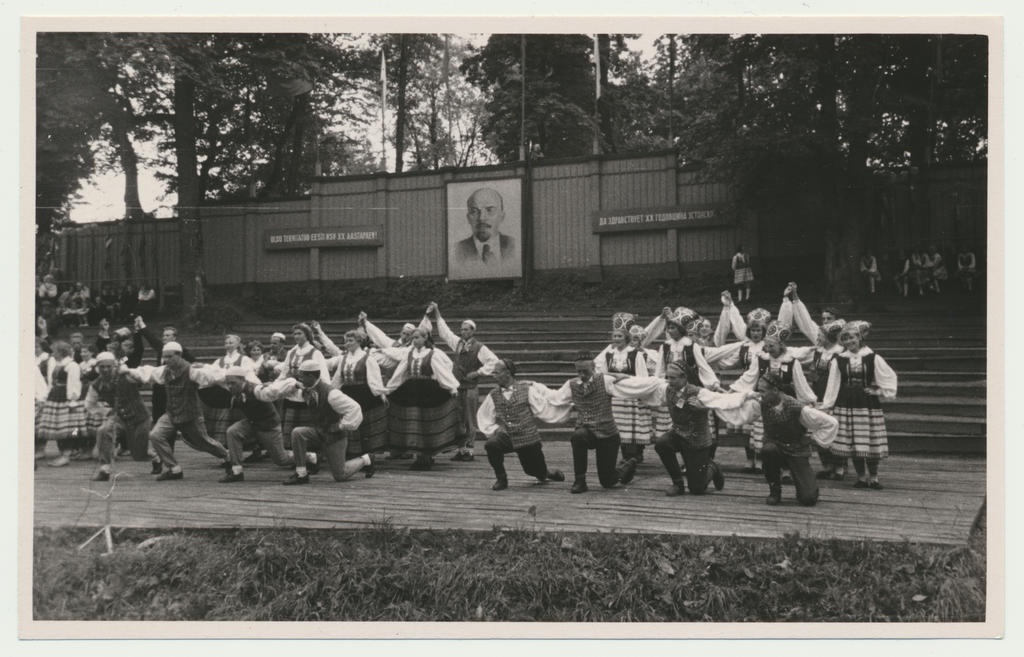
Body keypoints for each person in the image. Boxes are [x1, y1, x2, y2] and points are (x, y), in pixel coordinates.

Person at [632, 363, 759, 497]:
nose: (670, 381)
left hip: (697, 439)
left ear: (684, 377)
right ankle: (677, 483)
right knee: (662, 444)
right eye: (668, 377)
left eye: (673, 378)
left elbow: (722, 399)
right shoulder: (667, 389)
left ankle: (712, 468)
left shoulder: (699, 392)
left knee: (697, 489)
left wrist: (747, 395)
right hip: (678, 433)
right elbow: (644, 387)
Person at [124, 341, 230, 481]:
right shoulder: (165, 371)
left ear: (179, 355)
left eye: (169, 357)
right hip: (172, 413)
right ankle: (174, 469)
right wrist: (128, 371)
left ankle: (227, 456)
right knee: (156, 435)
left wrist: (230, 376)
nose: (166, 360)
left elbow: (212, 377)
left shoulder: (191, 371)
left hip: (190, 414)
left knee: (204, 442)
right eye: (164, 357)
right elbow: (148, 372)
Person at [547, 351, 643, 494]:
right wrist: (534, 388)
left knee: (607, 482)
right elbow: (555, 398)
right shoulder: (571, 384)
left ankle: (628, 466)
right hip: (587, 432)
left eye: (585, 371)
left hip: (608, 434)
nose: (582, 375)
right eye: (578, 371)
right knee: (578, 436)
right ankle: (580, 481)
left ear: (594, 368)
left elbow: (629, 382)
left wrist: (619, 376)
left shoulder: (605, 380)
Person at [820, 321, 898, 490]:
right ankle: (861, 477)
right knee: (853, 440)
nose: (849, 342)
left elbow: (888, 376)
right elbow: (833, 383)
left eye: (852, 338)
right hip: (846, 402)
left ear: (860, 338)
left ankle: (874, 477)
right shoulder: (839, 359)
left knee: (869, 438)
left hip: (866, 403)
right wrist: (829, 404)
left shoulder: (872, 357)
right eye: (845, 339)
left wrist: (878, 391)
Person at [735, 387, 839, 506]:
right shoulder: (761, 403)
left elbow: (831, 423)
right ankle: (775, 491)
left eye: (763, 390)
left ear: (775, 390)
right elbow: (739, 404)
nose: (760, 394)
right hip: (776, 449)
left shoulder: (796, 407)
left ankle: (804, 486)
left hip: (796, 451)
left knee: (808, 499)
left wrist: (812, 439)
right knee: (768, 450)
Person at [476, 359, 566, 491]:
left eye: (496, 372)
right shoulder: (493, 394)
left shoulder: (527, 390)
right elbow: (483, 415)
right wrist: (495, 430)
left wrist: (566, 408)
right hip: (508, 436)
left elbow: (543, 409)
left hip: (528, 437)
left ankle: (547, 473)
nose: (493, 375)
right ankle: (501, 478)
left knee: (534, 471)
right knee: (491, 445)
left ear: (507, 373)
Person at [283, 360, 374, 485]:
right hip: (320, 432)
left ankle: (366, 459)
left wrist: (341, 426)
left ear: (311, 376)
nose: (299, 378)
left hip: (334, 437)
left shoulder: (332, 394)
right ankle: (301, 474)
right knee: (297, 433)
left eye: (302, 375)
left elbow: (354, 408)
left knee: (340, 475)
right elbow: (294, 393)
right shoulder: (308, 388)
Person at [383, 327, 462, 470]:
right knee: (414, 423)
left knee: (427, 424)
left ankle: (426, 457)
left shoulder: (432, 354)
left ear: (425, 338)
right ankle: (419, 456)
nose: (415, 340)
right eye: (413, 338)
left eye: (418, 337)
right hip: (412, 391)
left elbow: (442, 372)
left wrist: (452, 387)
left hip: (428, 392)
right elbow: (399, 375)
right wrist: (389, 389)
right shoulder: (409, 355)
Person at [430, 302, 499, 462]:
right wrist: (437, 313)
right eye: (461, 329)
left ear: (473, 331)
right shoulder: (458, 344)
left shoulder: (479, 347)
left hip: (470, 388)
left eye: (466, 329)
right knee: (459, 418)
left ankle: (469, 450)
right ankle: (461, 449)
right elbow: (445, 332)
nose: (463, 332)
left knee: (469, 419)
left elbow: (494, 362)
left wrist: (478, 372)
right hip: (458, 386)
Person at [214, 366, 297, 483]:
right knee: (233, 431)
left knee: (281, 459)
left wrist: (293, 383)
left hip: (268, 425)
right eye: (228, 383)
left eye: (233, 383)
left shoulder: (256, 390)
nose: (230, 386)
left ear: (243, 380)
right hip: (252, 423)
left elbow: (274, 392)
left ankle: (310, 457)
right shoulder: (235, 389)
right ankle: (236, 471)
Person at [318, 327, 389, 461]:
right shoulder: (344, 359)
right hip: (348, 394)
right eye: (346, 341)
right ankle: (353, 454)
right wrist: (330, 393)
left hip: (365, 395)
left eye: (350, 340)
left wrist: (381, 394)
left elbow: (374, 380)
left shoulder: (368, 358)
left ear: (359, 341)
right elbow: (338, 379)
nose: (347, 343)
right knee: (350, 422)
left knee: (365, 425)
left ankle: (367, 456)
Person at [84, 352, 152, 481]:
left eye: (108, 366)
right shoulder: (96, 384)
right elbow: (89, 405)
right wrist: (105, 411)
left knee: (138, 455)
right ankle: (105, 469)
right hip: (119, 418)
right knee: (103, 430)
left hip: (140, 417)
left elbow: (143, 378)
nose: (105, 369)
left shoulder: (125, 375)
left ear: (114, 365)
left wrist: (129, 371)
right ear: (97, 367)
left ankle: (156, 458)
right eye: (102, 366)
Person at [593, 312, 651, 463]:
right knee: (619, 427)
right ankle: (626, 456)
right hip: (616, 397)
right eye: (615, 336)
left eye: (620, 336)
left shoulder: (635, 354)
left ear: (626, 338)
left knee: (631, 427)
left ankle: (634, 455)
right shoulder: (609, 355)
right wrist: (613, 377)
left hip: (631, 395)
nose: (617, 339)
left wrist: (625, 377)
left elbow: (642, 376)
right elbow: (602, 372)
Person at [274, 323, 330, 445]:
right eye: (294, 334)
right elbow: (284, 373)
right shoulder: (292, 353)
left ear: (307, 335)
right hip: (292, 394)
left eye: (299, 333)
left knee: (306, 429)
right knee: (290, 431)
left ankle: (311, 458)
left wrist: (319, 393)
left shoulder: (315, 353)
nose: (296, 336)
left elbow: (323, 376)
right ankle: (295, 458)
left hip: (308, 395)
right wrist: (274, 386)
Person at [198, 334, 256, 446]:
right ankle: (227, 452)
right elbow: (212, 375)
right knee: (224, 424)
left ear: (238, 344)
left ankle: (253, 448)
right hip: (224, 397)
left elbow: (248, 375)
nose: (228, 345)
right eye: (226, 343)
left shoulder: (244, 359)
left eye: (231, 342)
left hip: (239, 396)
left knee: (241, 421)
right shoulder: (219, 361)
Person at [36, 340, 86, 467]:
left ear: (61, 352)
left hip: (66, 400)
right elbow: (53, 382)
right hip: (56, 397)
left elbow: (74, 384)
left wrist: (72, 400)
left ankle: (66, 455)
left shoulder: (72, 365)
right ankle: (63, 453)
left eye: (55, 351)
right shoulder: (59, 364)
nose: (52, 354)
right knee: (59, 428)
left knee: (68, 428)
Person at [452, 187, 519, 274]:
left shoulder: (515, 245)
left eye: (490, 210)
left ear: (502, 216)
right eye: (474, 211)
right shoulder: (456, 251)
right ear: (468, 218)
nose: (482, 218)